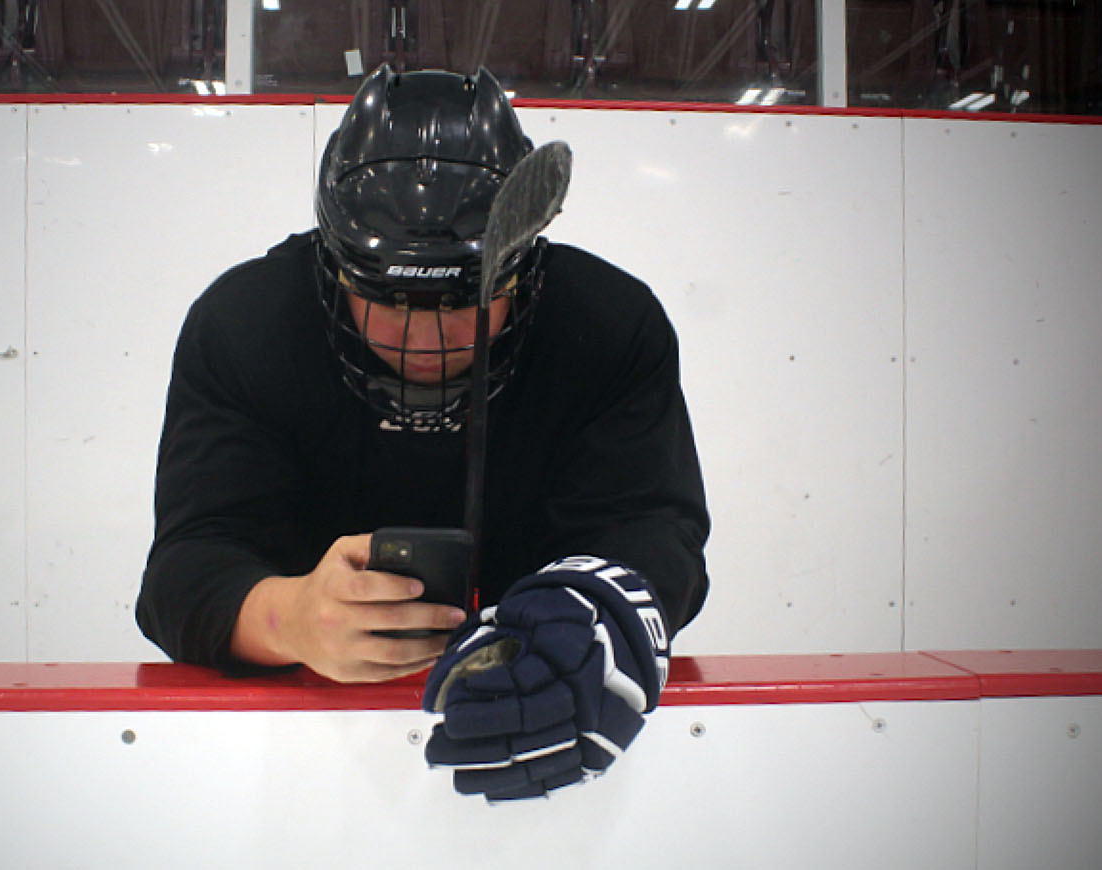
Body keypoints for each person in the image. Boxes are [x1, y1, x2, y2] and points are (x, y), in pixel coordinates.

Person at [137, 65, 709, 800]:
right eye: (390, 299)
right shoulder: (244, 326)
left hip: (549, 709)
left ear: (524, 268)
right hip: (302, 747)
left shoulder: (610, 326)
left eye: (466, 300)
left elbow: (653, 528)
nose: (429, 340)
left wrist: (593, 615)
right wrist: (290, 617)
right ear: (332, 268)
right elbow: (186, 565)